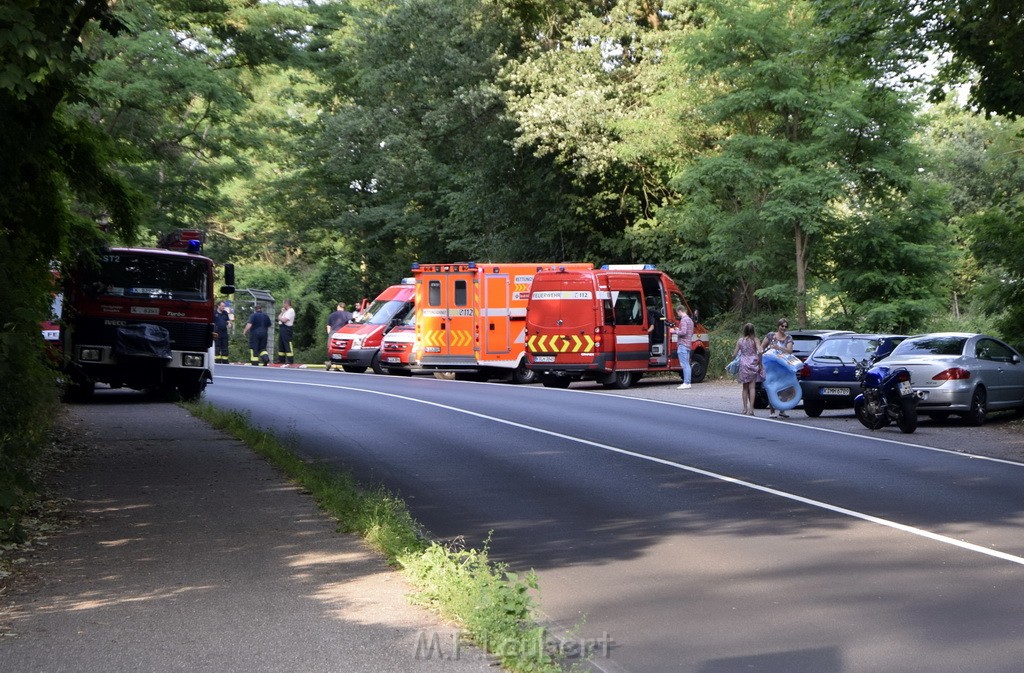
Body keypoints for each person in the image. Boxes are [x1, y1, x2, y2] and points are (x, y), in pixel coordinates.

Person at [761, 317, 794, 418]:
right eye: (782, 326)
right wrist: (762, 355)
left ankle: (782, 410)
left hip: (783, 367)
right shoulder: (771, 335)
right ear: (778, 326)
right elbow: (762, 347)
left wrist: (778, 347)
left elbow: (789, 351)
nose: (783, 328)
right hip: (770, 367)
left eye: (785, 326)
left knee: (784, 388)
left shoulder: (789, 338)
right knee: (772, 387)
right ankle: (772, 412)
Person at [735, 322, 764, 415]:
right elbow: (760, 351)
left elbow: (734, 353)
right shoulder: (755, 340)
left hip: (743, 363)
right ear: (753, 330)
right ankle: (751, 409)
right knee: (752, 388)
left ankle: (744, 408)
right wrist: (760, 362)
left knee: (744, 388)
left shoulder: (740, 341)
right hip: (753, 363)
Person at [675, 306, 695, 390]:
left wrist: (675, 331)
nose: (678, 314)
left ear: (680, 311)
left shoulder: (683, 320)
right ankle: (688, 382)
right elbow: (689, 332)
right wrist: (678, 329)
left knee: (684, 364)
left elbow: (683, 332)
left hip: (682, 345)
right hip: (688, 344)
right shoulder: (690, 320)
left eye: (677, 313)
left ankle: (686, 382)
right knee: (687, 364)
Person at [277, 299, 296, 365]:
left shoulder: (291, 311)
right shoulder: (285, 311)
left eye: (283, 304)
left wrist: (280, 317)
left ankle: (290, 360)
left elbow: (284, 320)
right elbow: (279, 318)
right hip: (282, 328)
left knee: (287, 344)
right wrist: (282, 312)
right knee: (281, 344)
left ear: (286, 304)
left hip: (287, 329)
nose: (282, 305)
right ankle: (281, 359)